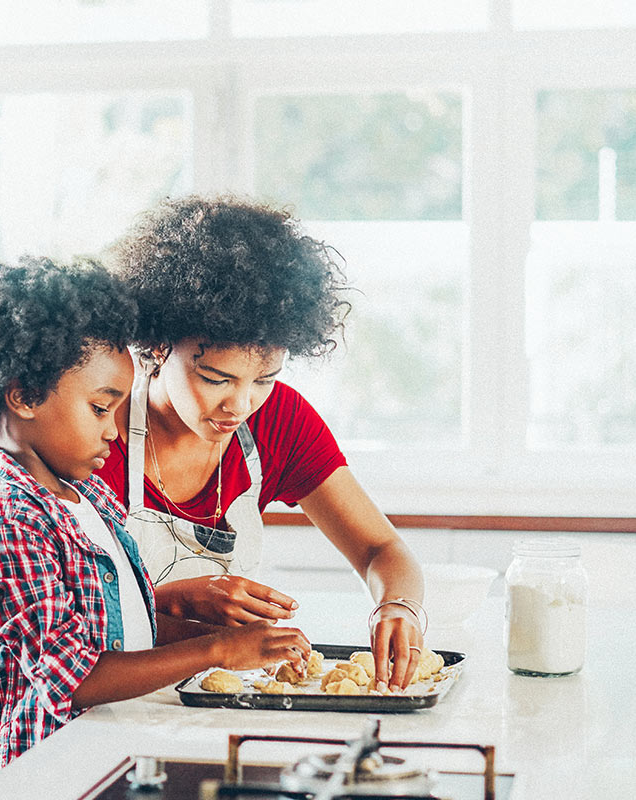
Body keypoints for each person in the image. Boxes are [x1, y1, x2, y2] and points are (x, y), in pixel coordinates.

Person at [0, 256, 310, 797]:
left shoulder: (87, 495)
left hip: (98, 758)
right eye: (101, 409)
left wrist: (235, 640)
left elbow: (125, 630)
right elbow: (77, 676)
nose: (113, 431)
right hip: (35, 777)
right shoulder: (9, 525)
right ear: (24, 396)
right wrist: (216, 653)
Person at [97, 194, 427, 691]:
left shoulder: (279, 421)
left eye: (264, 379)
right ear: (159, 345)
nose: (240, 404)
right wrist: (173, 600)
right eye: (214, 378)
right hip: (108, 704)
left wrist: (398, 606)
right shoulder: (95, 431)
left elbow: (381, 548)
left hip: (224, 698)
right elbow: (70, 626)